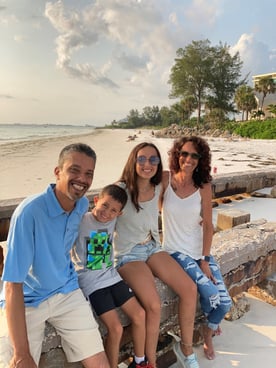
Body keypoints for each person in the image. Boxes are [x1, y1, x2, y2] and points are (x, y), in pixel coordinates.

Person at [0, 143, 110, 368]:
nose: (82, 179)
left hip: (66, 291)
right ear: (58, 172)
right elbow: (12, 284)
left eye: (89, 174)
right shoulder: (29, 213)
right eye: (74, 170)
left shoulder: (80, 205)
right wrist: (21, 353)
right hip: (28, 299)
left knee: (100, 362)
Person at [113, 142, 199, 368]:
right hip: (128, 254)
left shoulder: (160, 183)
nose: (147, 164)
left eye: (153, 159)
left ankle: (187, 350)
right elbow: (100, 220)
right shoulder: (120, 190)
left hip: (152, 246)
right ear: (133, 161)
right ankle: (147, 362)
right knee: (153, 305)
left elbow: (186, 168)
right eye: (141, 159)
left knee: (190, 289)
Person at [161, 136, 232, 360]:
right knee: (212, 297)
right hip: (174, 252)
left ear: (201, 160)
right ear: (176, 155)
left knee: (225, 304)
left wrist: (204, 259)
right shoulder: (165, 178)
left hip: (198, 252)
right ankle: (200, 337)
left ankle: (207, 331)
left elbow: (209, 225)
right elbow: (140, 193)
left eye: (194, 155)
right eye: (184, 153)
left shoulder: (204, 186)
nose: (188, 159)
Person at [71, 184, 148, 368]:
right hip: (91, 283)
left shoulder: (113, 220)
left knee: (140, 314)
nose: (107, 213)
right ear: (96, 200)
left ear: (119, 214)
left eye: (113, 210)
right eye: (104, 205)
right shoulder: (81, 221)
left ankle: (139, 362)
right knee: (115, 328)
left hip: (112, 276)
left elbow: (129, 185)